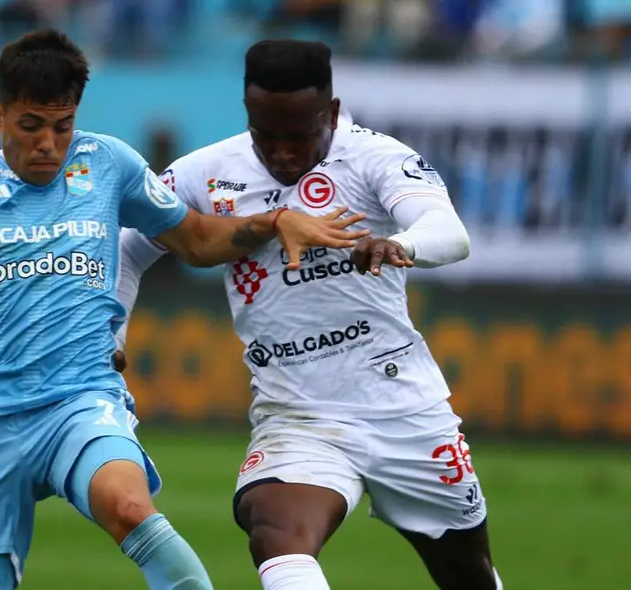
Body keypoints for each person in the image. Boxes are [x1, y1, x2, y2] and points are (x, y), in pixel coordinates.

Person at [0, 30, 367, 590]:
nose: (49, 143)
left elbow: (199, 239)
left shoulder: (108, 163)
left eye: (62, 125)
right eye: (31, 125)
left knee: (130, 507)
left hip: (80, 401)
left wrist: (274, 221)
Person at [115, 39, 504, 590]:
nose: (280, 154)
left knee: (470, 577)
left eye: (297, 136)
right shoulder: (206, 173)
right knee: (273, 527)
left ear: (333, 111)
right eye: (264, 135)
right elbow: (128, 244)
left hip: (403, 410)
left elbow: (450, 232)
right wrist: (114, 329)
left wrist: (402, 246)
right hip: (297, 413)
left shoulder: (376, 158)